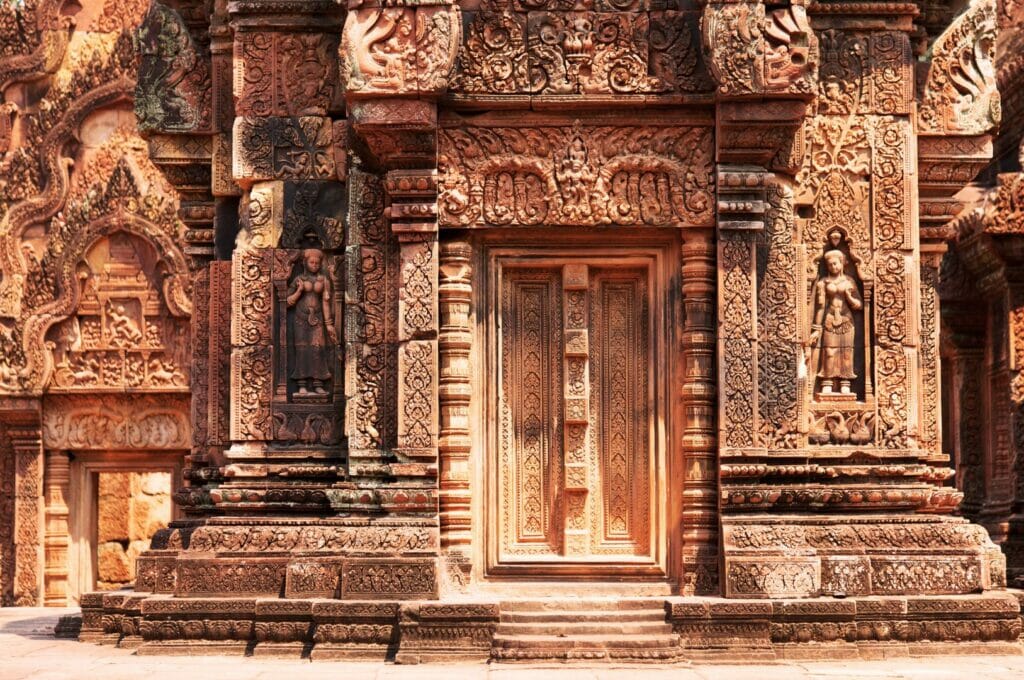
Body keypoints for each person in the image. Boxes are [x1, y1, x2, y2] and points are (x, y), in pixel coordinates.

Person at [809, 249, 862, 395]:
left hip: (846, 320)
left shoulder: (849, 281)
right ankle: (827, 381)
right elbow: (820, 308)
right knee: (829, 351)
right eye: (829, 264)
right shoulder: (823, 283)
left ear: (842, 263)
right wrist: (816, 329)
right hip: (830, 319)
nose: (833, 267)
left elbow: (859, 305)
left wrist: (849, 296)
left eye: (835, 263)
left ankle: (845, 382)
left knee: (846, 352)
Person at [286, 248, 335, 395]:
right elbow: (287, 301)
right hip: (300, 319)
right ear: (305, 263)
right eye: (311, 262)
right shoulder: (298, 279)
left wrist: (329, 324)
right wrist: (299, 291)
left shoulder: (324, 280)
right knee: (301, 349)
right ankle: (302, 384)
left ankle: (317, 383)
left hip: (318, 319)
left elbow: (326, 303)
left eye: (317, 263)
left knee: (318, 349)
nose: (314, 265)